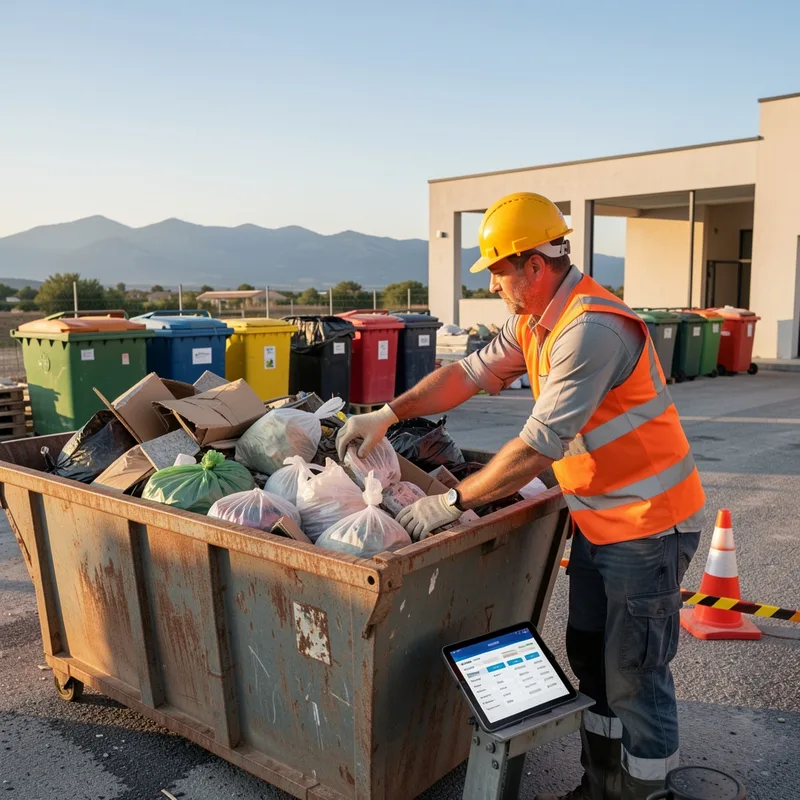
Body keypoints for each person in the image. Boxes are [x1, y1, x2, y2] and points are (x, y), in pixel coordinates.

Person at [336, 191, 706, 800]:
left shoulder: (591, 330)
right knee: (590, 656)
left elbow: (537, 450)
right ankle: (601, 785)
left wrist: (449, 503)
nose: (494, 285)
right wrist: (387, 413)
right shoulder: (536, 321)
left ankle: (645, 793)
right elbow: (465, 375)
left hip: (650, 525)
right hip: (600, 520)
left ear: (535, 264)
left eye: (500, 271)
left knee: (634, 674)